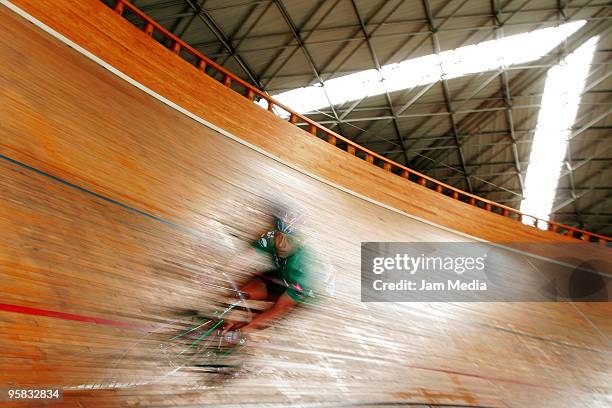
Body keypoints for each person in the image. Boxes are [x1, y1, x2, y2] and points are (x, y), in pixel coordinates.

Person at [223, 210, 313, 336]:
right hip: (283, 274)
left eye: (290, 240)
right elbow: (243, 260)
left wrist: (244, 331)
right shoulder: (271, 236)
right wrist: (213, 276)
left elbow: (279, 310)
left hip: (305, 289)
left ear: (300, 243)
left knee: (261, 326)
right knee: (241, 295)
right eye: (279, 235)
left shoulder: (304, 269)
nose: (281, 244)